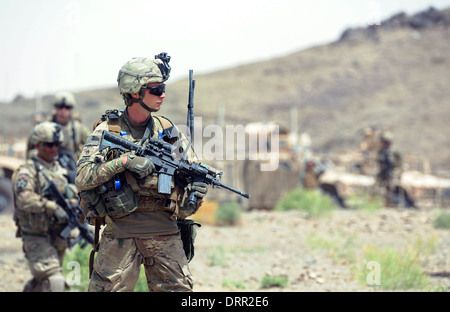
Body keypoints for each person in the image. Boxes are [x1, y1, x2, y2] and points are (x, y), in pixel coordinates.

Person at [75, 53, 208, 292]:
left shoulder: (168, 130)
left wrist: (195, 192)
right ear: (135, 92)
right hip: (121, 233)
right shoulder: (109, 130)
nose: (163, 95)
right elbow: (83, 177)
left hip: (165, 233)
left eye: (163, 88)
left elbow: (189, 190)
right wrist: (124, 162)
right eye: (156, 90)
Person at [12, 121, 79, 291]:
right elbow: (24, 199)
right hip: (36, 235)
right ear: (38, 144)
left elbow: (75, 197)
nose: (54, 148)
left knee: (43, 284)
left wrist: (72, 203)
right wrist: (51, 207)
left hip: (58, 236)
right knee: (55, 281)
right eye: (49, 144)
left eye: (57, 144)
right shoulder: (27, 171)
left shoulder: (62, 171)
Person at [26, 91, 91, 182]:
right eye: (60, 107)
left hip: (72, 171)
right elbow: (31, 150)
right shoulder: (44, 128)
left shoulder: (78, 128)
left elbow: (92, 146)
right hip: (48, 172)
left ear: (71, 109)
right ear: (55, 108)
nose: (63, 110)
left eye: (67, 107)